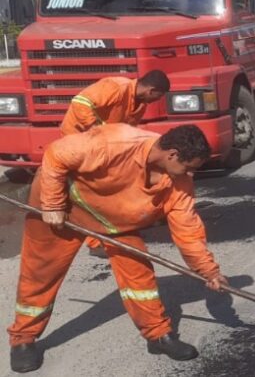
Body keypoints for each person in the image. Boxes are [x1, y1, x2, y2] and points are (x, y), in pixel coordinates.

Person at [7, 124, 227, 373]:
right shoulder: (116, 144)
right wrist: (53, 204)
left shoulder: (179, 183)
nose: (191, 174)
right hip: (62, 211)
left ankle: (158, 336)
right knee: (40, 275)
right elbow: (57, 153)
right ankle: (23, 340)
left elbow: (188, 231)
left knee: (139, 275)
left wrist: (208, 271)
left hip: (113, 222)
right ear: (172, 154)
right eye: (189, 167)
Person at [60, 71, 170, 257]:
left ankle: (116, 227)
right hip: (80, 141)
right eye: (157, 97)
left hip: (105, 147)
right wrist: (98, 130)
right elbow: (81, 103)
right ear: (151, 90)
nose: (154, 102)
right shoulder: (116, 87)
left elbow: (127, 130)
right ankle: (95, 242)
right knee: (92, 189)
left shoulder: (139, 105)